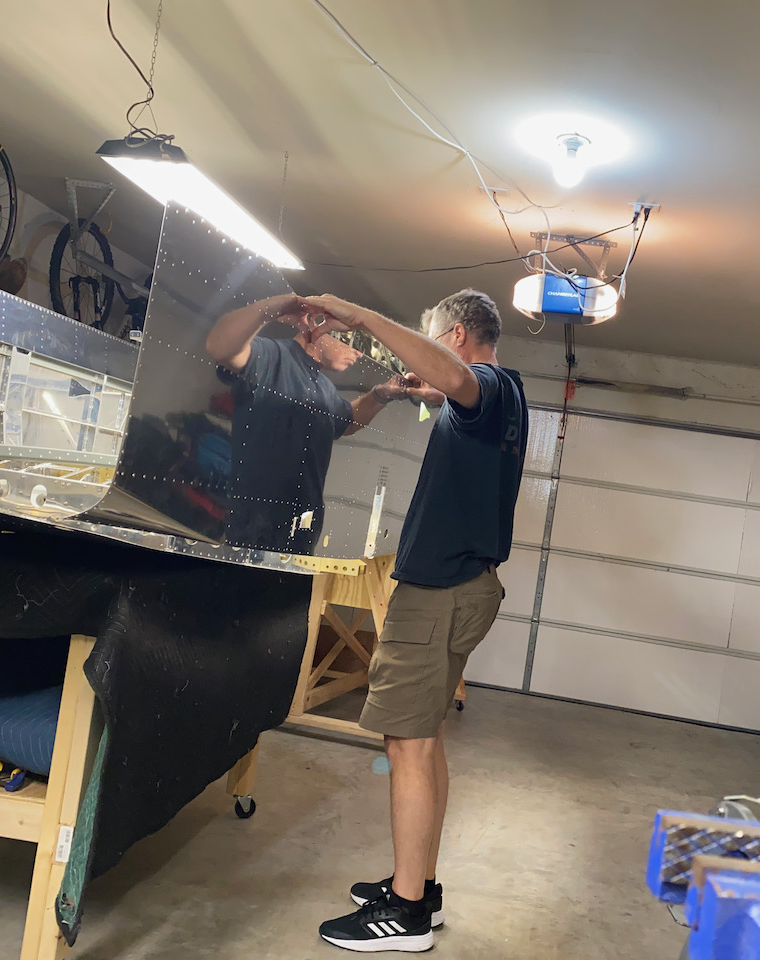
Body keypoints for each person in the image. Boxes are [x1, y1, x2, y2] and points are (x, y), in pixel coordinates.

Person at [303, 289, 529, 953]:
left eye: (433, 339)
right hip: (458, 586)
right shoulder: (496, 400)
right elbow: (449, 388)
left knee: (405, 743)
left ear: (455, 336)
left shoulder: (485, 384)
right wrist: (408, 391)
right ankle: (419, 888)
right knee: (423, 738)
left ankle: (405, 916)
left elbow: (458, 379)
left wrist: (358, 316)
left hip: (439, 591)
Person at [206, 293, 406, 553]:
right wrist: (276, 306)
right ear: (319, 328)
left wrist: (382, 394)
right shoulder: (272, 356)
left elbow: (346, 421)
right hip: (252, 530)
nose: (357, 353)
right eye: (353, 341)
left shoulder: (323, 388)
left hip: (300, 533)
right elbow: (220, 347)